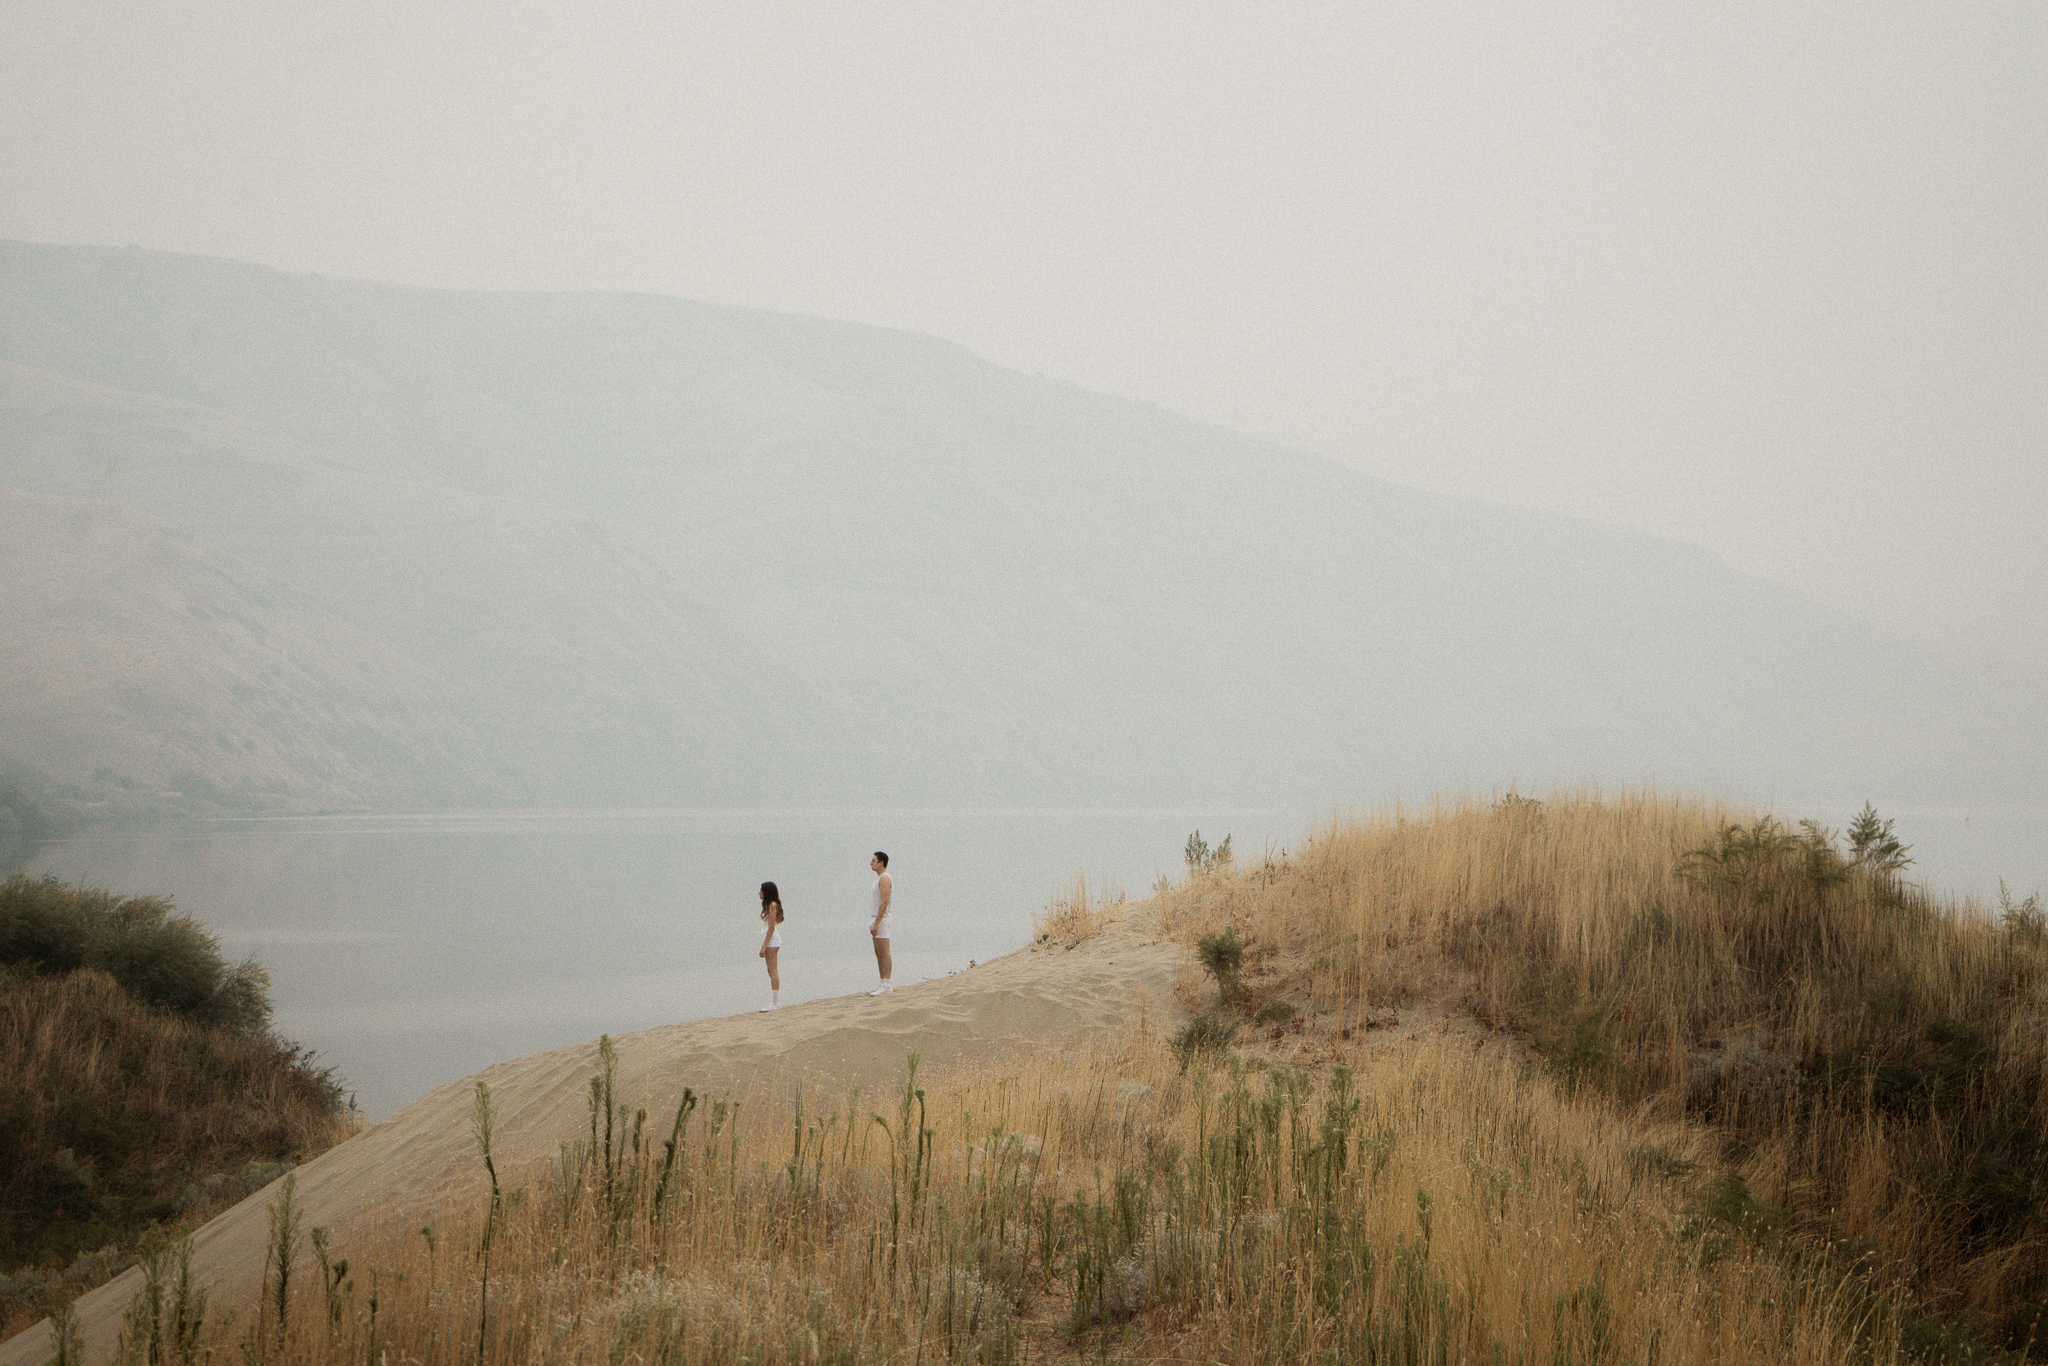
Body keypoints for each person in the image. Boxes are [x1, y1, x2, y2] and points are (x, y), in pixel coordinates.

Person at [866, 851, 893, 995]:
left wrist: (877, 923)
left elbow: (884, 902)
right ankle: (882, 982)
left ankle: (887, 983)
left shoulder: (885, 878)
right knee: (878, 952)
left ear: (881, 862)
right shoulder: (878, 879)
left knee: (884, 951)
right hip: (875, 917)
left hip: (881, 919)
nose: (871, 863)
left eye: (873, 861)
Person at [757, 880, 784, 1011]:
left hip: (772, 941)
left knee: (773, 970)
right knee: (770, 970)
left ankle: (775, 1003)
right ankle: (774, 1002)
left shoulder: (772, 905)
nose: (759, 893)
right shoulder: (769, 905)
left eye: (761, 890)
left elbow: (771, 928)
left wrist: (763, 946)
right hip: (770, 941)